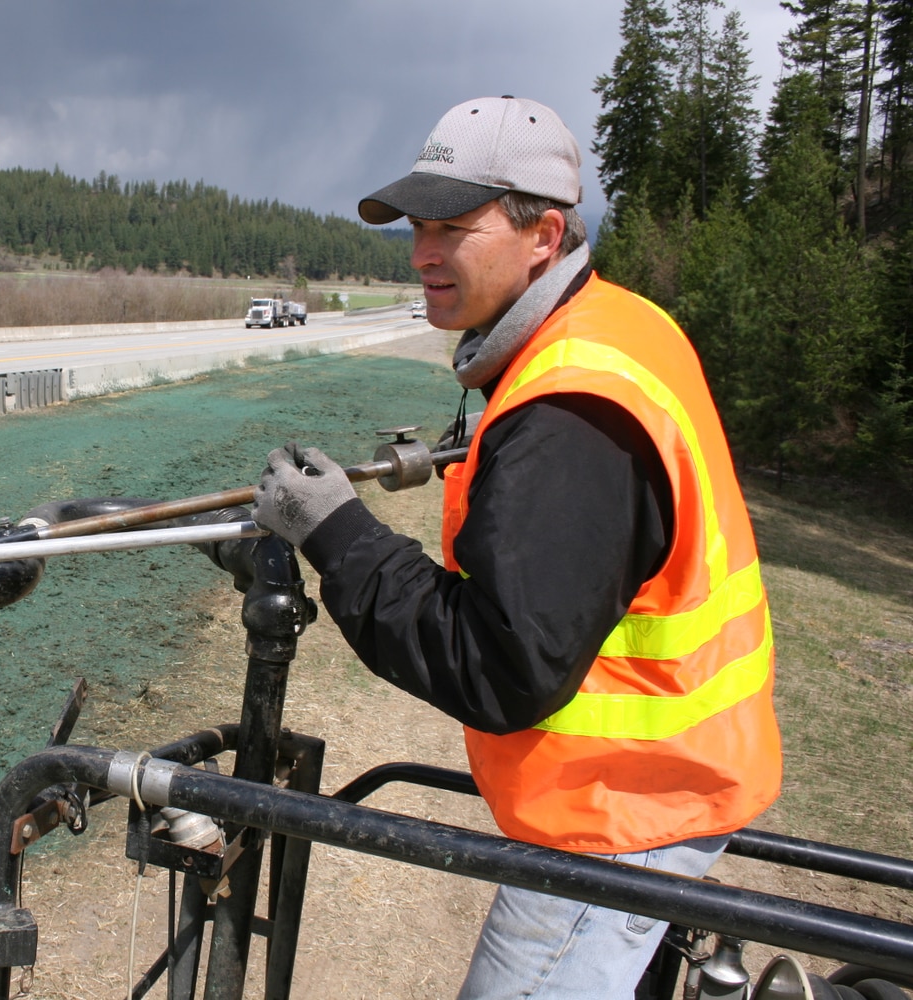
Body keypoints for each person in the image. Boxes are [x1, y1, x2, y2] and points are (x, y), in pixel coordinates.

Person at [252, 96, 781, 999]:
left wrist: (338, 535)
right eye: (418, 226)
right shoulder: (615, 324)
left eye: (451, 227)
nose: (421, 253)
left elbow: (501, 666)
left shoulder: (571, 410)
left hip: (622, 815)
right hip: (655, 788)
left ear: (545, 236)